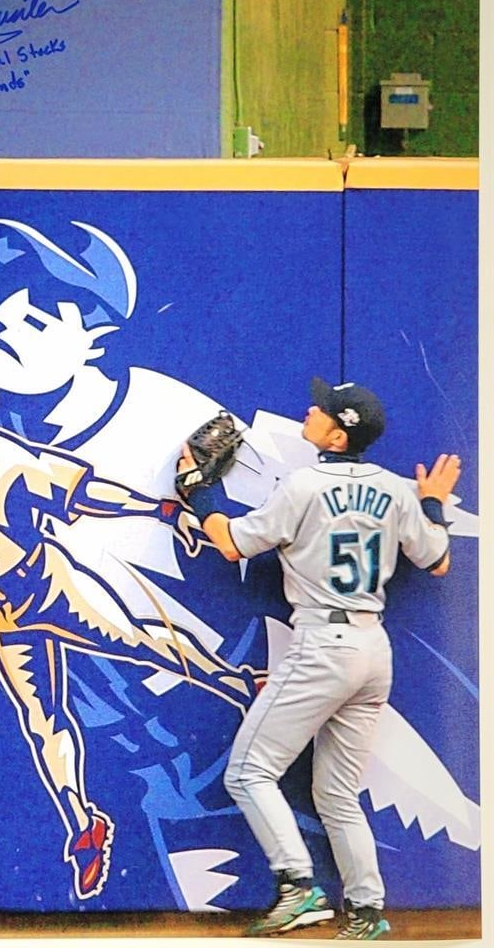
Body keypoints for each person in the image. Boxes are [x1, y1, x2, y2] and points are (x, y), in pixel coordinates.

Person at [0, 360, 264, 898]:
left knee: (142, 643)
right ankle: (84, 825)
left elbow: (90, 493)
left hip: (48, 585)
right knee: (41, 718)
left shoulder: (5, 459)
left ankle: (238, 685)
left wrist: (163, 510)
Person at [176, 377, 460, 940]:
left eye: (322, 408)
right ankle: (364, 913)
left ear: (336, 432)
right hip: (372, 651)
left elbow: (233, 543)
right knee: (335, 793)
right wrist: (430, 502)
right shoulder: (397, 490)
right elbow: (438, 559)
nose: (310, 407)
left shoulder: (303, 485)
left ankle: (297, 887)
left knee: (249, 772)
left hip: (322, 647)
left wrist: (199, 493)